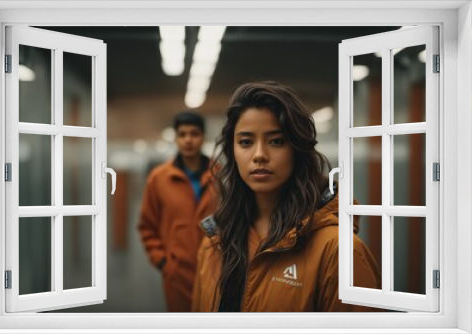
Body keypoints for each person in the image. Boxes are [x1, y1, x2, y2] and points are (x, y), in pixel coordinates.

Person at [191, 81, 381, 312]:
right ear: (233, 152)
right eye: (246, 142)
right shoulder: (215, 241)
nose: (259, 154)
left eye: (276, 141)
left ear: (297, 150)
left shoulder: (339, 251)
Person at [138, 111, 218, 312]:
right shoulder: (159, 178)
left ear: (203, 137)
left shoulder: (221, 175)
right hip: (177, 273)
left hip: (216, 269)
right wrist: (163, 262)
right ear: (175, 138)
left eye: (194, 134)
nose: (188, 140)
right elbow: (147, 225)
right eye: (182, 134)